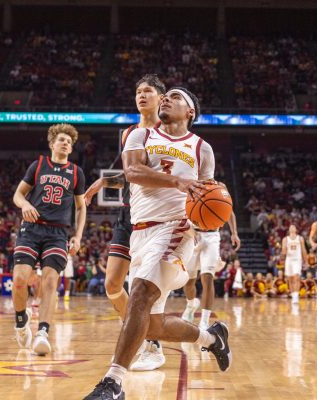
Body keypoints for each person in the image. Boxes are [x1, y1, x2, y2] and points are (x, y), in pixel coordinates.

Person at [84, 87, 230, 400]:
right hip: (140, 233)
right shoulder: (140, 136)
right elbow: (133, 171)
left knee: (138, 292)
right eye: (166, 95)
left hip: (176, 231)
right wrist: (178, 181)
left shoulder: (202, 147)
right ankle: (211, 338)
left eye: (175, 97)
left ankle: (112, 383)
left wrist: (208, 236)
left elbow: (208, 197)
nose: (166, 98)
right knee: (149, 325)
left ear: (190, 112)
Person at [84, 74, 166, 371]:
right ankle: (141, 333)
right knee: (112, 283)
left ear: (161, 98)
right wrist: (102, 182)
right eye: (138, 92)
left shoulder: (170, 131)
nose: (141, 96)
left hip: (157, 216)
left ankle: (151, 343)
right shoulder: (128, 132)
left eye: (148, 91)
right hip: (128, 212)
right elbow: (131, 174)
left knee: (147, 287)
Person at [11, 123, 86, 356]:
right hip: (31, 229)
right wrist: (25, 204)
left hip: (57, 234)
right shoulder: (38, 165)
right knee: (20, 280)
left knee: (50, 282)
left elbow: (81, 207)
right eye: (62, 139)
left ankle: (43, 332)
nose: (65, 143)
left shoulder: (76, 172)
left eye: (69, 142)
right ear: (52, 143)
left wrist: (78, 236)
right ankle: (21, 319)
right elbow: (18, 194)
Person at [183, 193, 241, 329]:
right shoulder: (190, 183)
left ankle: (204, 320)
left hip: (212, 236)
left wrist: (234, 233)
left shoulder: (219, 188)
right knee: (188, 281)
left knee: (208, 278)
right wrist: (189, 230)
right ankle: (191, 305)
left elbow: (229, 211)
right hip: (193, 235)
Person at [281, 225, 308, 304]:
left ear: (296, 229)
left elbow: (303, 250)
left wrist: (306, 261)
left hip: (297, 260)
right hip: (289, 260)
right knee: (290, 279)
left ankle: (296, 296)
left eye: (294, 227)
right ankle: (293, 295)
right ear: (289, 230)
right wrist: (283, 253)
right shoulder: (285, 239)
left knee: (296, 277)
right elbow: (283, 252)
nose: (292, 228)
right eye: (290, 227)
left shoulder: (300, 238)